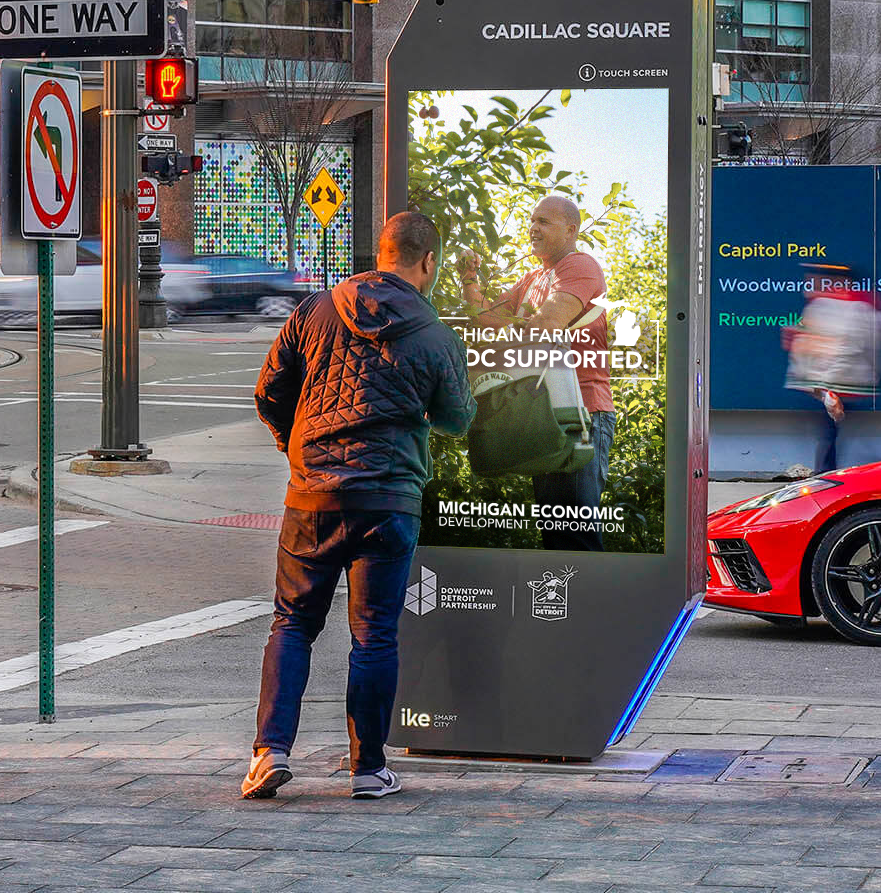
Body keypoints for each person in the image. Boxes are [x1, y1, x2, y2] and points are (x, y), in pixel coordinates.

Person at [245, 211, 476, 802]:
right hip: (389, 498)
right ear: (428, 261)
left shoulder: (314, 310)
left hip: (313, 496)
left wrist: (296, 449)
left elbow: (269, 393)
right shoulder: (433, 332)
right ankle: (368, 770)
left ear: (381, 252)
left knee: (293, 622)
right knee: (374, 634)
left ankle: (269, 753)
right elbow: (458, 418)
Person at [460, 195, 614, 552]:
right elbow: (483, 316)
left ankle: (591, 606)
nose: (533, 228)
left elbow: (546, 324)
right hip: (543, 411)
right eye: (532, 220)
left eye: (544, 221)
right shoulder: (531, 278)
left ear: (571, 229)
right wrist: (470, 277)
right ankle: (574, 605)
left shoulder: (579, 266)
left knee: (575, 535)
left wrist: (504, 339)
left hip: (582, 412)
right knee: (556, 534)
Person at [783, 263, 881, 477]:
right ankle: (871, 471)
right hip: (854, 382)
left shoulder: (822, 306)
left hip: (833, 384)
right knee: (844, 433)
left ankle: (826, 475)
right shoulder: (866, 305)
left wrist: (822, 386)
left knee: (830, 433)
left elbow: (820, 348)